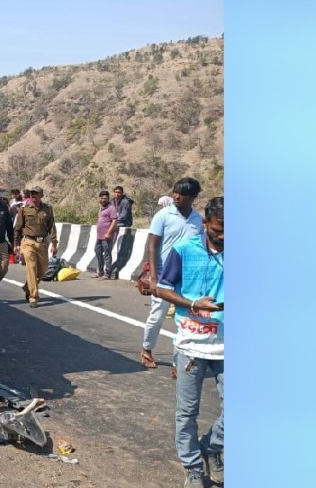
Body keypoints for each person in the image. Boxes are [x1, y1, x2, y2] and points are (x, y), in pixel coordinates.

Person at [154, 196, 224, 488]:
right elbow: (162, 289)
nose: (224, 236)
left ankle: (211, 444)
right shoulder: (184, 251)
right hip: (192, 344)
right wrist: (193, 304)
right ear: (205, 222)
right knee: (187, 413)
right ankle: (193, 468)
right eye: (219, 229)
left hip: (228, 343)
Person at [140, 177, 204, 370]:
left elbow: (199, 248)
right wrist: (152, 275)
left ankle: (180, 362)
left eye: (182, 193)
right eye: (175, 191)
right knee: (157, 315)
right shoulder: (163, 215)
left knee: (184, 319)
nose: (176, 196)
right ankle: (146, 349)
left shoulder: (197, 220)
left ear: (193, 197)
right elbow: (152, 244)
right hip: (163, 275)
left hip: (186, 277)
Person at [13, 186, 57, 308]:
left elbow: (51, 226)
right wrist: (16, 244)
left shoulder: (47, 209)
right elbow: (17, 228)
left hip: (42, 243)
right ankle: (33, 296)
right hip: (28, 242)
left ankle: (28, 286)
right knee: (31, 268)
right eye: (32, 194)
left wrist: (54, 243)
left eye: (36, 194)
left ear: (41, 195)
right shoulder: (24, 210)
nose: (33, 196)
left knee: (42, 270)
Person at [108, 185, 135, 279]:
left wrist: (113, 222)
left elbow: (123, 216)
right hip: (114, 222)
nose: (117, 194)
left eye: (119, 192)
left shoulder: (126, 202)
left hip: (123, 223)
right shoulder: (111, 201)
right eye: (115, 192)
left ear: (122, 193)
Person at [94, 190, 118, 280]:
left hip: (106, 236)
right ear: (99, 199)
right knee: (97, 252)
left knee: (107, 254)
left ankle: (107, 274)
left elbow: (114, 221)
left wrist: (109, 233)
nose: (103, 200)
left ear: (108, 199)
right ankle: (100, 272)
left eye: (105, 198)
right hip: (99, 236)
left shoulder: (111, 208)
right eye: (102, 198)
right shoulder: (101, 208)